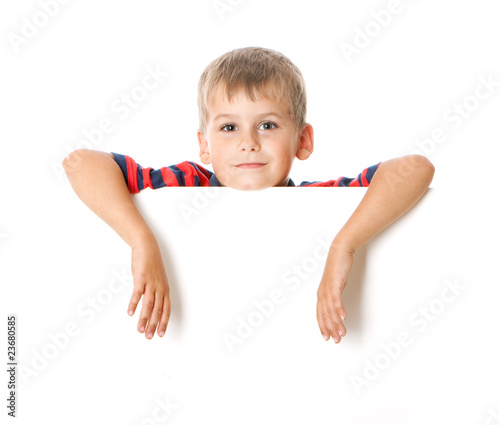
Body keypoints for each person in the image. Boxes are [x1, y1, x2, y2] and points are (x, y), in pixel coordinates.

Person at [63, 46, 434, 344]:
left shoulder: (318, 200)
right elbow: (80, 162)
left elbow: (416, 168)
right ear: (204, 146)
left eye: (267, 125)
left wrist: (344, 245)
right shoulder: (186, 182)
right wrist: (141, 240)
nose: (248, 144)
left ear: (302, 141)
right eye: (228, 127)